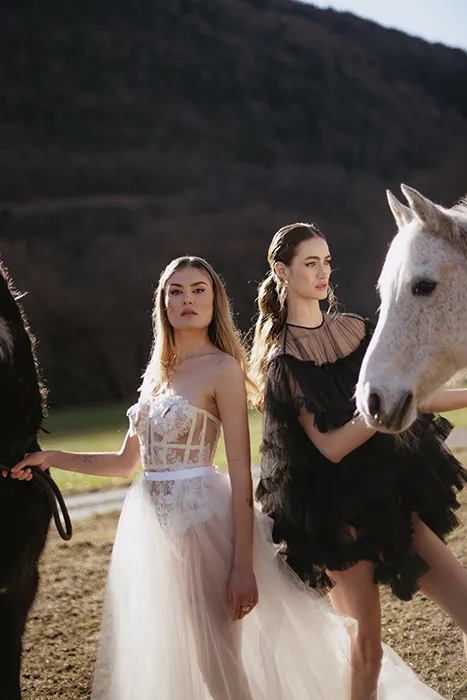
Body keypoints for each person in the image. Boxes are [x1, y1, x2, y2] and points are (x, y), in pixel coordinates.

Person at [12, 256, 443, 699]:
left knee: (217, 662)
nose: (187, 299)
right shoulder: (157, 372)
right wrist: (52, 458)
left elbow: (240, 473)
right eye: (176, 291)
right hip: (156, 534)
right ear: (163, 303)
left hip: (204, 524)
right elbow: (125, 464)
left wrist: (242, 568)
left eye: (198, 290)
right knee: (187, 658)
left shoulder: (222, 369)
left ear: (214, 301)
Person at [250, 223, 467, 700]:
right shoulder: (282, 361)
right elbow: (330, 447)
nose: (322, 272)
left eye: (326, 262)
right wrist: (378, 412)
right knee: (366, 648)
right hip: (334, 520)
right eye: (310, 263)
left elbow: (416, 396)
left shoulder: (356, 329)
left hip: (386, 500)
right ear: (282, 271)